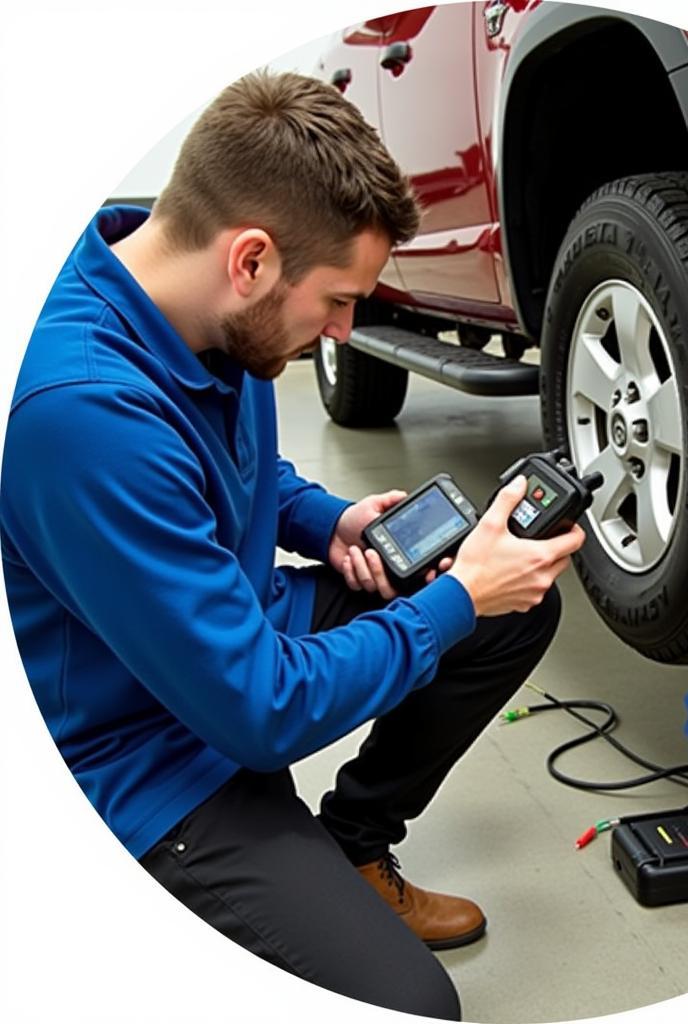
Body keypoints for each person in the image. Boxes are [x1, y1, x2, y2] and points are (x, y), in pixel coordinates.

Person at [0, 70, 584, 1020]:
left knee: (515, 612)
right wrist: (456, 597)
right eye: (340, 300)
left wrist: (331, 520)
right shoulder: (83, 415)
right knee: (410, 1005)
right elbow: (259, 711)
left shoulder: (193, 305)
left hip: (228, 634)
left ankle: (352, 846)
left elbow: (239, 469)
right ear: (253, 259)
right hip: (147, 759)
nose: (347, 330)